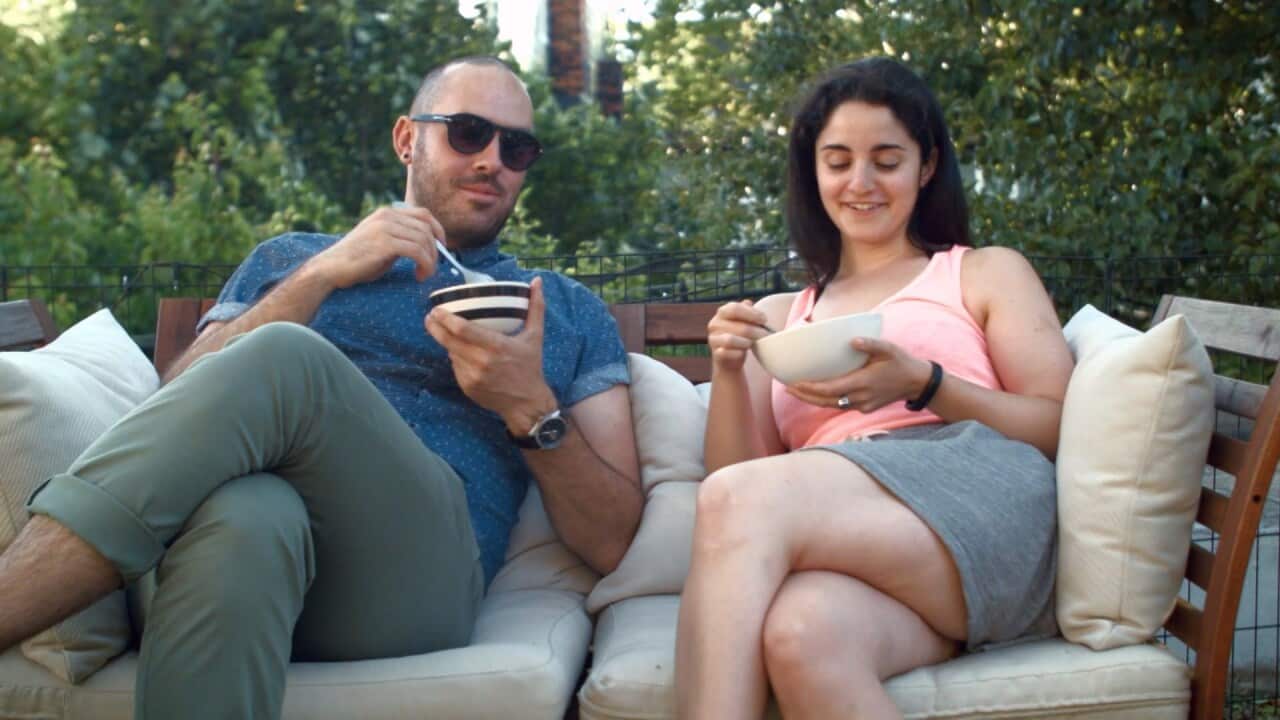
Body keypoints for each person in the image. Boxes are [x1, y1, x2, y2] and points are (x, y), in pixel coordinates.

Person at [0, 55, 643, 719]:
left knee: (284, 358)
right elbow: (180, 399)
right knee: (247, 515)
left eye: (518, 147)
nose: (492, 161)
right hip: (243, 559)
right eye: (469, 132)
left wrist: (528, 406)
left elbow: (614, 541)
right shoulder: (288, 260)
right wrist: (322, 274)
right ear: (406, 139)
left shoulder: (561, 309)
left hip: (411, 583)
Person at [675, 57, 1075, 719]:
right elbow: (732, 488)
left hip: (978, 499)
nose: (860, 183)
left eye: (886, 160)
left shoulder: (980, 273)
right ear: (814, 171)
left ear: (926, 166)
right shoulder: (779, 316)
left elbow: (1059, 423)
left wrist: (924, 383)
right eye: (837, 160)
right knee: (801, 636)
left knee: (744, 508)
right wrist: (725, 368)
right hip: (869, 549)